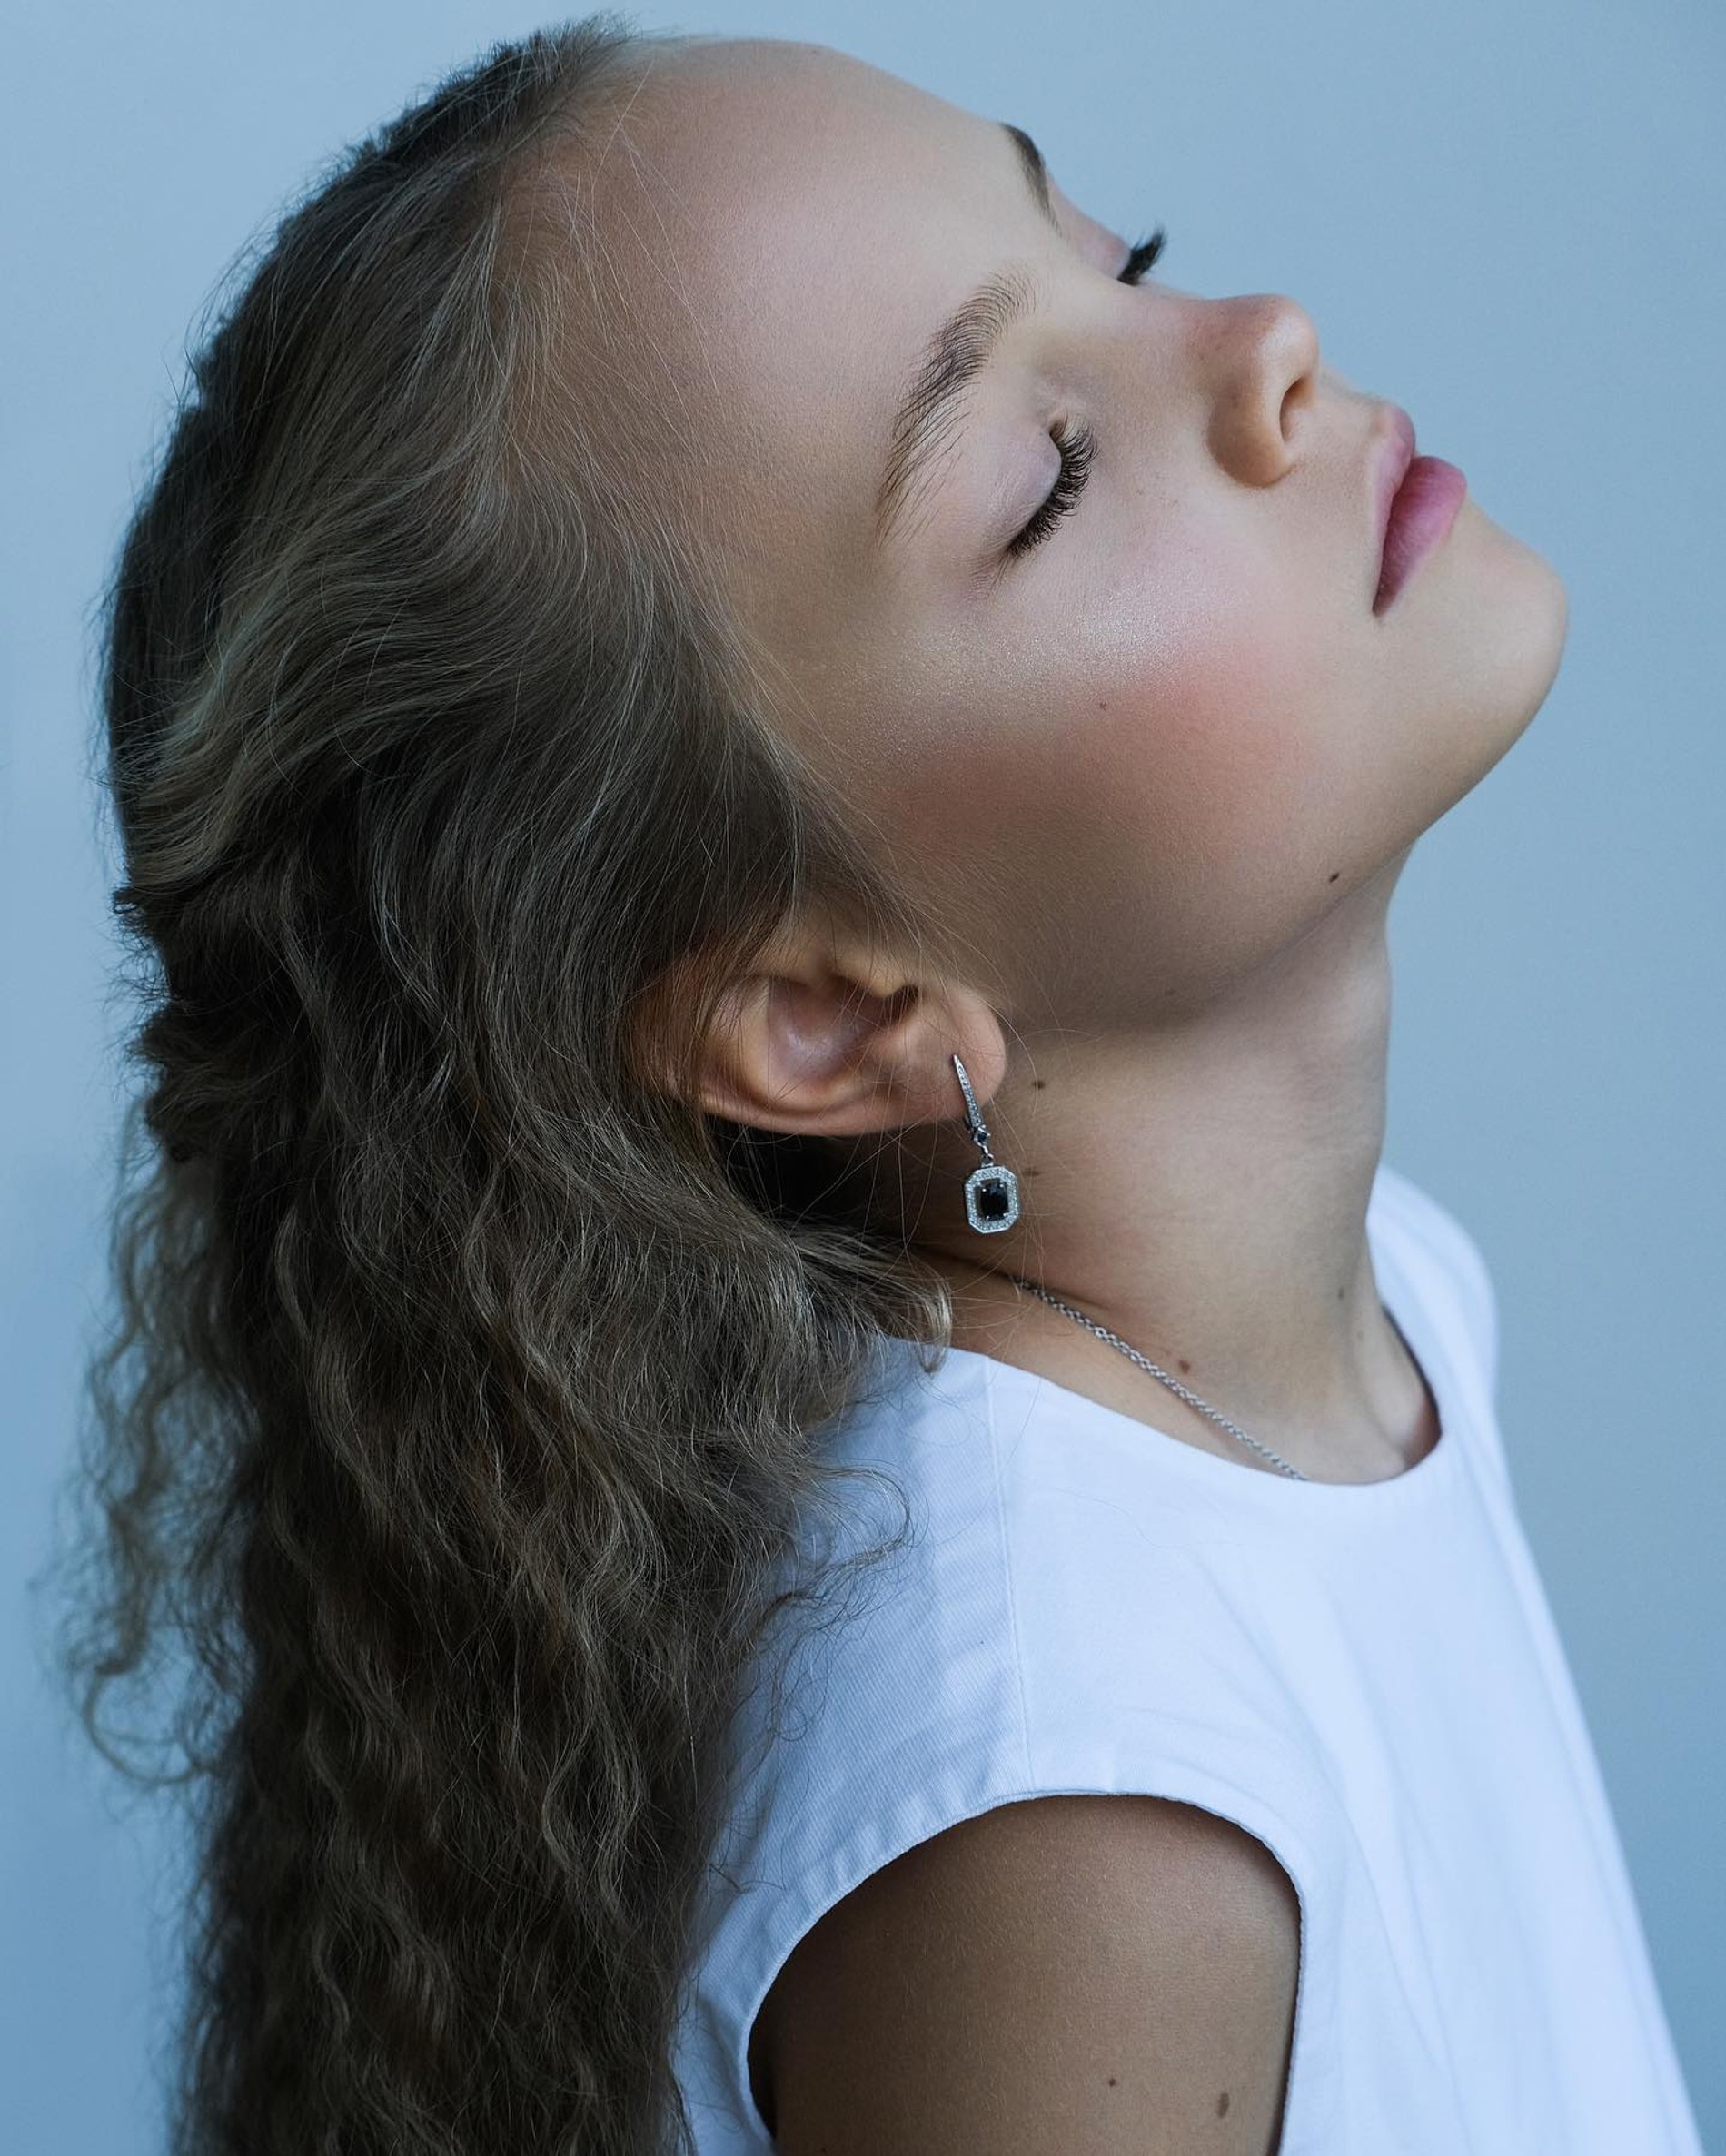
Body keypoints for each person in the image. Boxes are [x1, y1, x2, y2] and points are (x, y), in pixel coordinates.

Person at [59, 15, 1701, 2156]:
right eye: (1047, 478)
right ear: (828, 1008)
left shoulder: (1386, 1299)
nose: (1263, 345)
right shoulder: (1077, 1788)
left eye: (1120, 260)